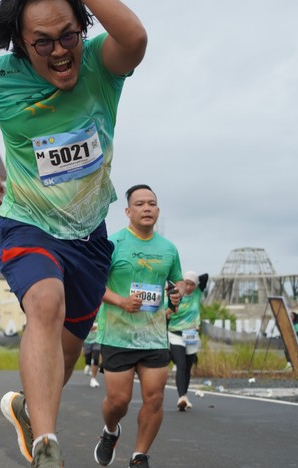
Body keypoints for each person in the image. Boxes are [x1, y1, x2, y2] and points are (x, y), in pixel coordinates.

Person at [0, 0, 147, 466]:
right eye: (43, 42)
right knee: (44, 301)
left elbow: (135, 37)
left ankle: (26, 408)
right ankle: (46, 445)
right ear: (20, 43)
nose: (60, 51)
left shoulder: (100, 65)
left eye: (69, 36)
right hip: (27, 223)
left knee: (64, 356)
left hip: (89, 237)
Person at [94, 185, 184, 468]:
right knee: (118, 401)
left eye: (152, 203)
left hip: (154, 336)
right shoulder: (112, 244)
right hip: (117, 335)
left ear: (157, 210)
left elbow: (178, 280)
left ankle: (139, 455)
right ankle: (110, 431)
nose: (147, 208)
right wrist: (121, 301)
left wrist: (177, 293)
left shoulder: (168, 249)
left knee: (155, 398)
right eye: (140, 204)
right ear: (127, 211)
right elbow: (94, 285)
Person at [167, 270, 209, 411]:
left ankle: (184, 395)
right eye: (187, 284)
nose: (189, 287)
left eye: (192, 285)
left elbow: (205, 276)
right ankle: (181, 397)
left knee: (188, 367)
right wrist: (180, 283)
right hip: (175, 334)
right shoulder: (175, 294)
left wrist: (194, 279)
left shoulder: (197, 293)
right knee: (181, 364)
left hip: (191, 335)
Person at [83, 311, 101, 388]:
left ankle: (93, 379)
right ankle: (87, 364)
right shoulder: (87, 311)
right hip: (87, 339)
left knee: (96, 358)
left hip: (97, 340)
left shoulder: (101, 311)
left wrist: (97, 327)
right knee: (88, 357)